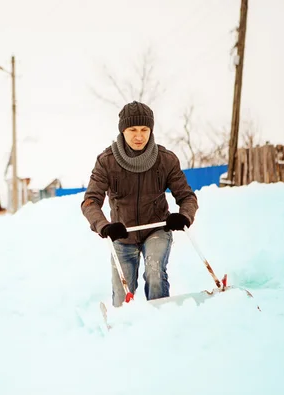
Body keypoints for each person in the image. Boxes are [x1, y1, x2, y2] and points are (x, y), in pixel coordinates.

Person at [81, 100, 199, 307]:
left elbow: (187, 196)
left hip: (156, 230)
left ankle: (161, 319)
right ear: (122, 131)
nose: (139, 136)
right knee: (122, 293)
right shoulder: (106, 161)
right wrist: (104, 226)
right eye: (132, 129)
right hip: (121, 233)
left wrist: (184, 215)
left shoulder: (166, 160)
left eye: (144, 129)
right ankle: (124, 329)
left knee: (155, 273)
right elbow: (90, 201)